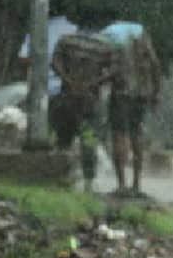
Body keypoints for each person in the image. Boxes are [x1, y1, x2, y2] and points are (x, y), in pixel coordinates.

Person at [50, 31, 116, 192]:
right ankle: (88, 180)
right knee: (89, 139)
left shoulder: (66, 40)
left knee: (64, 139)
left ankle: (62, 176)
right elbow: (113, 71)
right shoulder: (104, 46)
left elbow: (54, 63)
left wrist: (68, 79)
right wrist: (94, 82)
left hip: (68, 96)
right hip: (90, 100)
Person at [108, 29, 163, 196]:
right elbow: (157, 70)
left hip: (121, 96)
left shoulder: (117, 46)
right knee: (136, 137)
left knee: (119, 136)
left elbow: (110, 72)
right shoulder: (146, 48)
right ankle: (137, 184)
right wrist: (155, 95)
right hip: (140, 97)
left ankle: (121, 184)